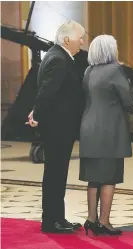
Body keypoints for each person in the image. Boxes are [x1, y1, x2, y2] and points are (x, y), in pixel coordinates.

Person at [27, 21, 85, 233]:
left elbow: (47, 90)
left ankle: (57, 218)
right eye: (80, 37)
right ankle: (52, 221)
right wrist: (38, 115)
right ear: (67, 39)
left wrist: (36, 113)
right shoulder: (60, 59)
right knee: (55, 175)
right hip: (58, 128)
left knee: (56, 174)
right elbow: (47, 91)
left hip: (58, 127)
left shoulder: (55, 55)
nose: (82, 41)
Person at [79, 34, 133, 236]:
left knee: (93, 178)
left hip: (88, 129)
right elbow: (129, 102)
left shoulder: (88, 71)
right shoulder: (115, 70)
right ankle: (104, 222)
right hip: (109, 131)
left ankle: (91, 219)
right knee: (109, 177)